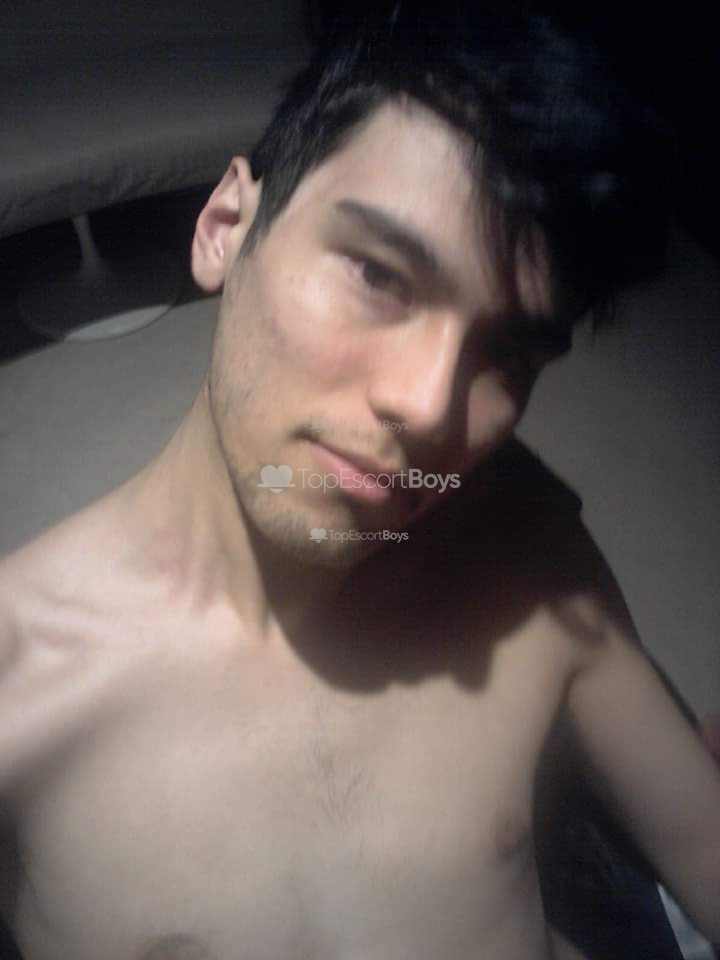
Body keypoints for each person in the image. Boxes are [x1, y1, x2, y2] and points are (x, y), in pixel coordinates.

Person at [1, 6, 718, 959]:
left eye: (507, 354)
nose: (430, 408)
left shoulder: (534, 581)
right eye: (380, 275)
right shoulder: (22, 682)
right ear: (225, 227)